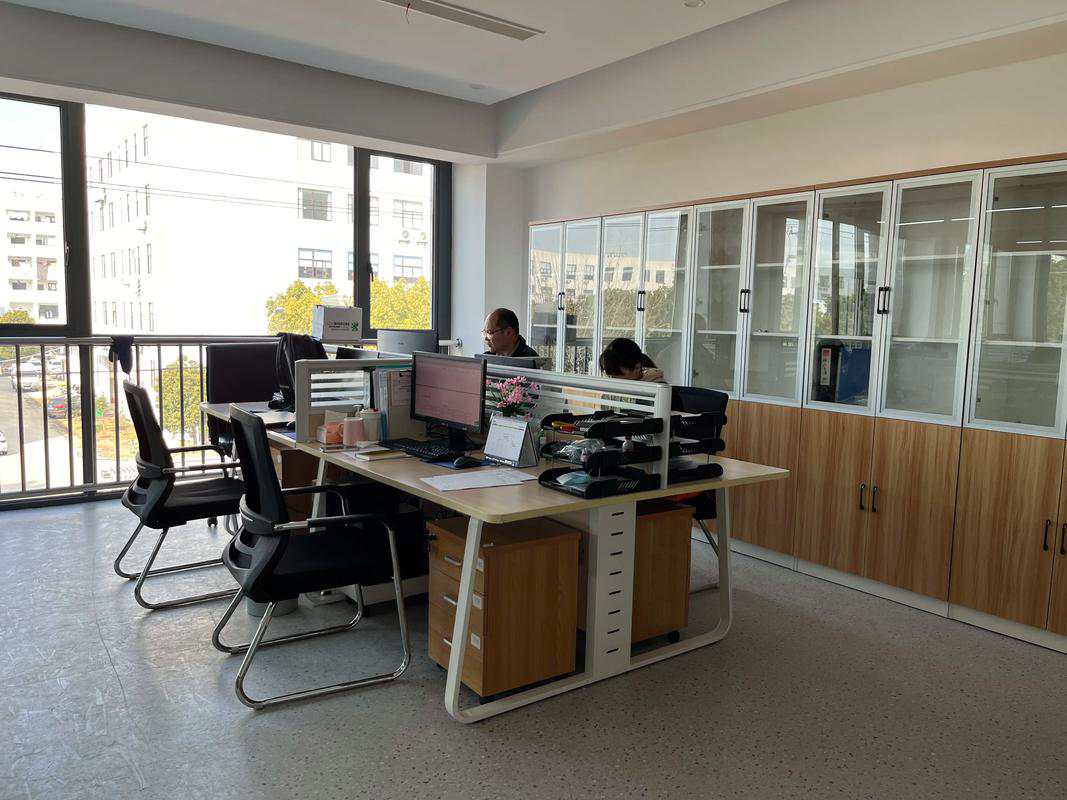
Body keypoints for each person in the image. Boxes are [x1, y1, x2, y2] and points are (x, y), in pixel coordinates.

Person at [599, 338, 665, 382]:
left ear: (637, 368)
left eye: (618, 375)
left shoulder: (657, 390)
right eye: (610, 376)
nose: (613, 380)